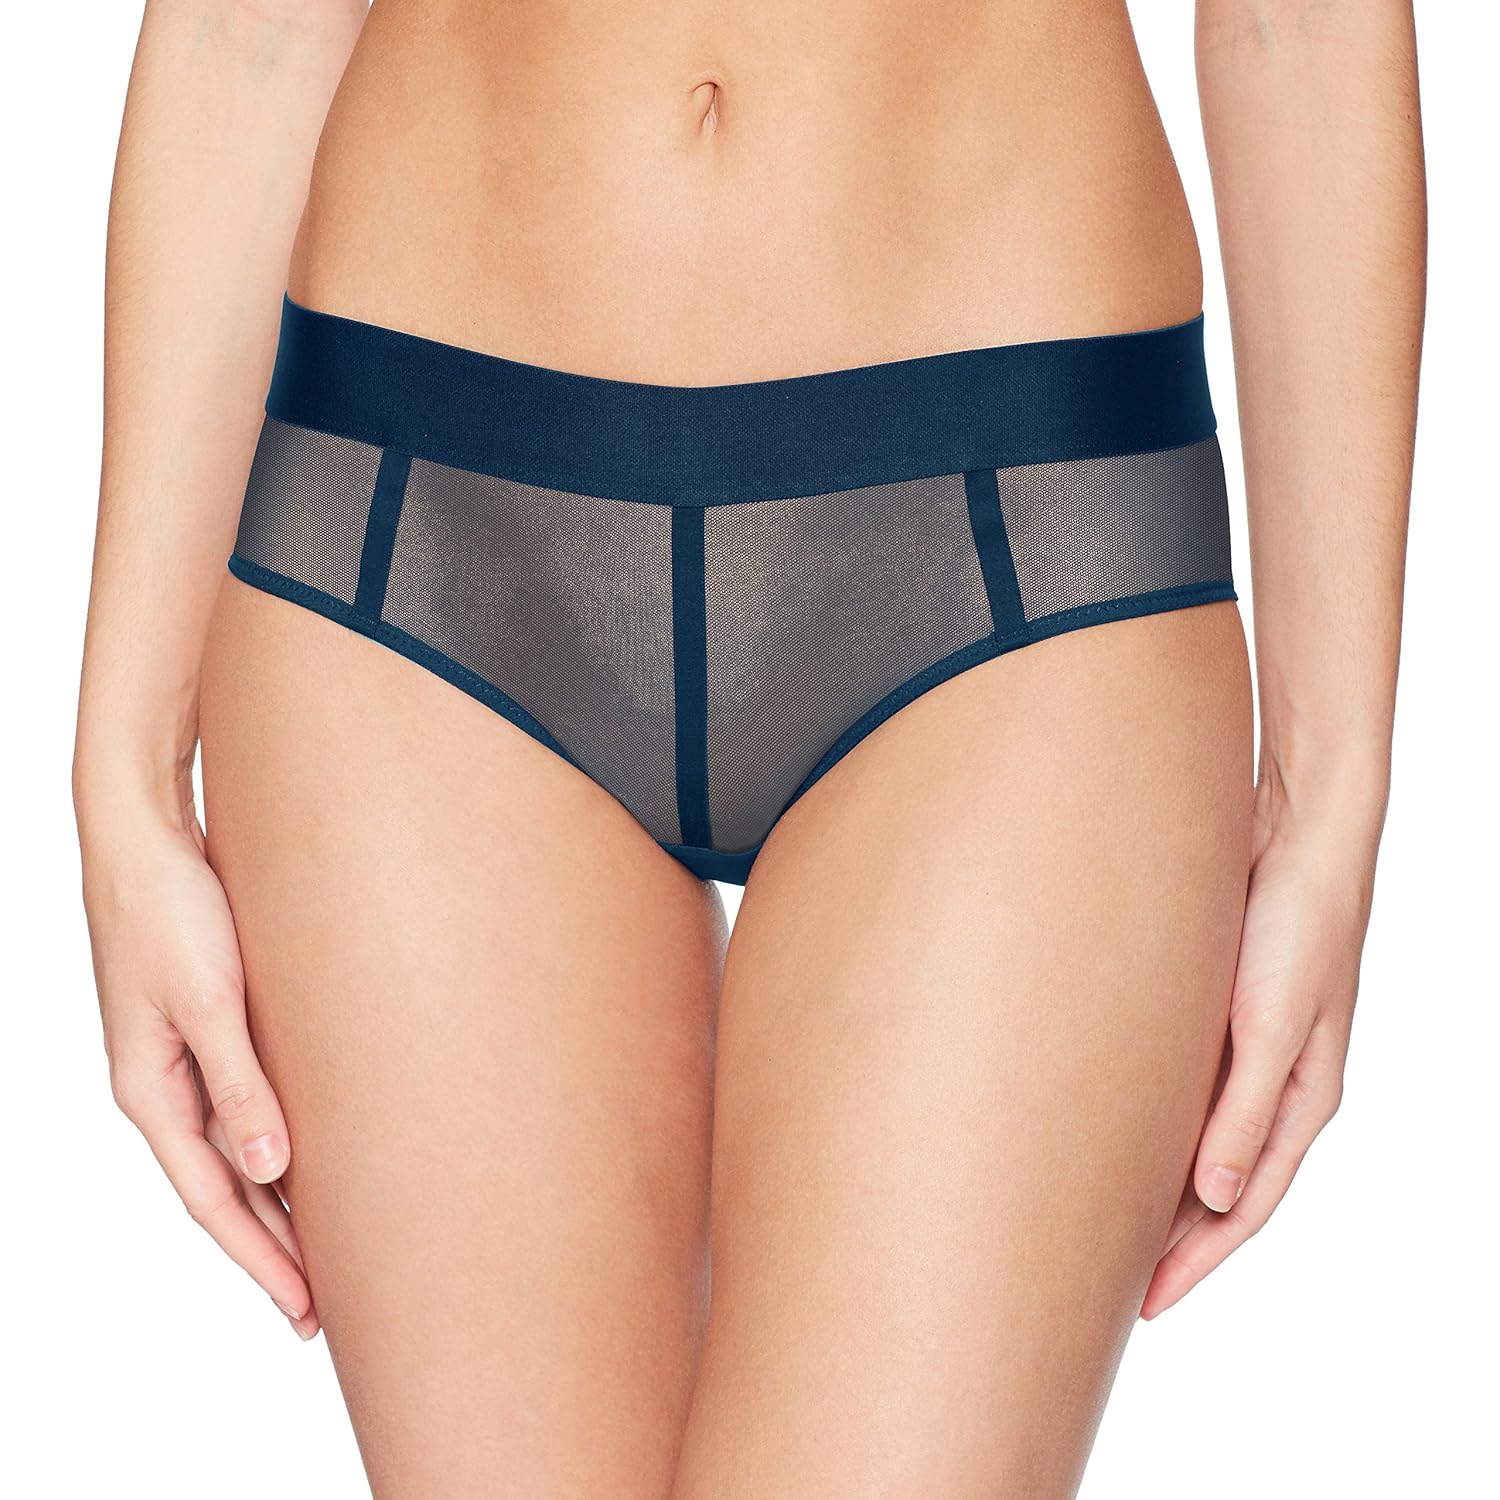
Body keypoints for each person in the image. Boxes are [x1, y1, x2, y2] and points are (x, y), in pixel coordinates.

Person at [74, 1, 1425, 1494]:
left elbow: (1298, 22)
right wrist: (124, 773)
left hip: (1023, 527)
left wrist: (1330, 793)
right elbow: (252, 26)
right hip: (414, 534)